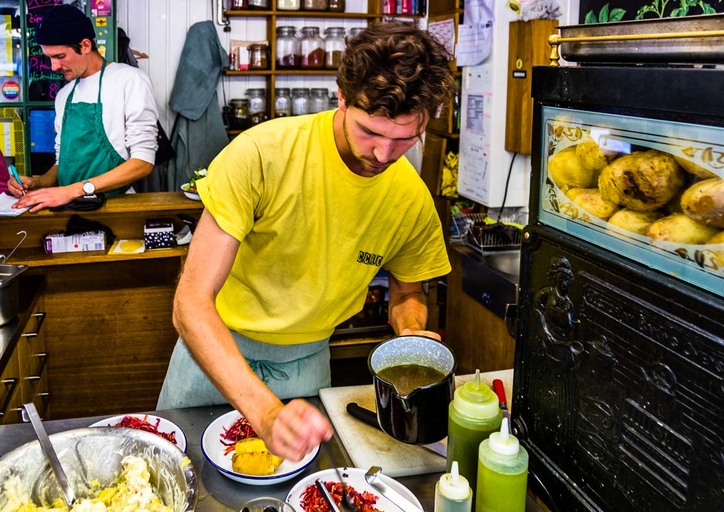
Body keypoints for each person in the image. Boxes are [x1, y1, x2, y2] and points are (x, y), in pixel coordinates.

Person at [157, 20, 456, 462]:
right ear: (341, 98)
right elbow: (190, 304)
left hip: (308, 364)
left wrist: (410, 332)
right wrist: (265, 413)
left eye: (403, 139)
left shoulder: (409, 196)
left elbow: (408, 289)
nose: (382, 155)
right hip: (215, 355)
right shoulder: (262, 154)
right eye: (370, 132)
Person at [7, 4, 158, 212]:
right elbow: (63, 163)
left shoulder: (130, 81)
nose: (53, 67)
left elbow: (143, 162)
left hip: (115, 206)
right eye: (49, 58)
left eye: (60, 57)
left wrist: (75, 190)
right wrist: (39, 183)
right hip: (68, 208)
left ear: (85, 45)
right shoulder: (64, 95)